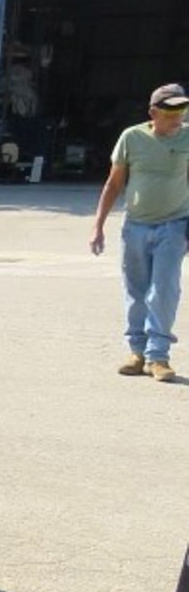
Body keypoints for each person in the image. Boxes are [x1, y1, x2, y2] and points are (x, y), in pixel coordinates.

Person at [89, 82, 189, 380]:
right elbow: (114, 183)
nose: (178, 117)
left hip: (174, 225)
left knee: (164, 290)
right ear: (153, 112)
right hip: (135, 227)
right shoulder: (131, 138)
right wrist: (98, 226)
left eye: (182, 110)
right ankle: (137, 351)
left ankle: (158, 357)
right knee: (135, 290)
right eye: (171, 111)